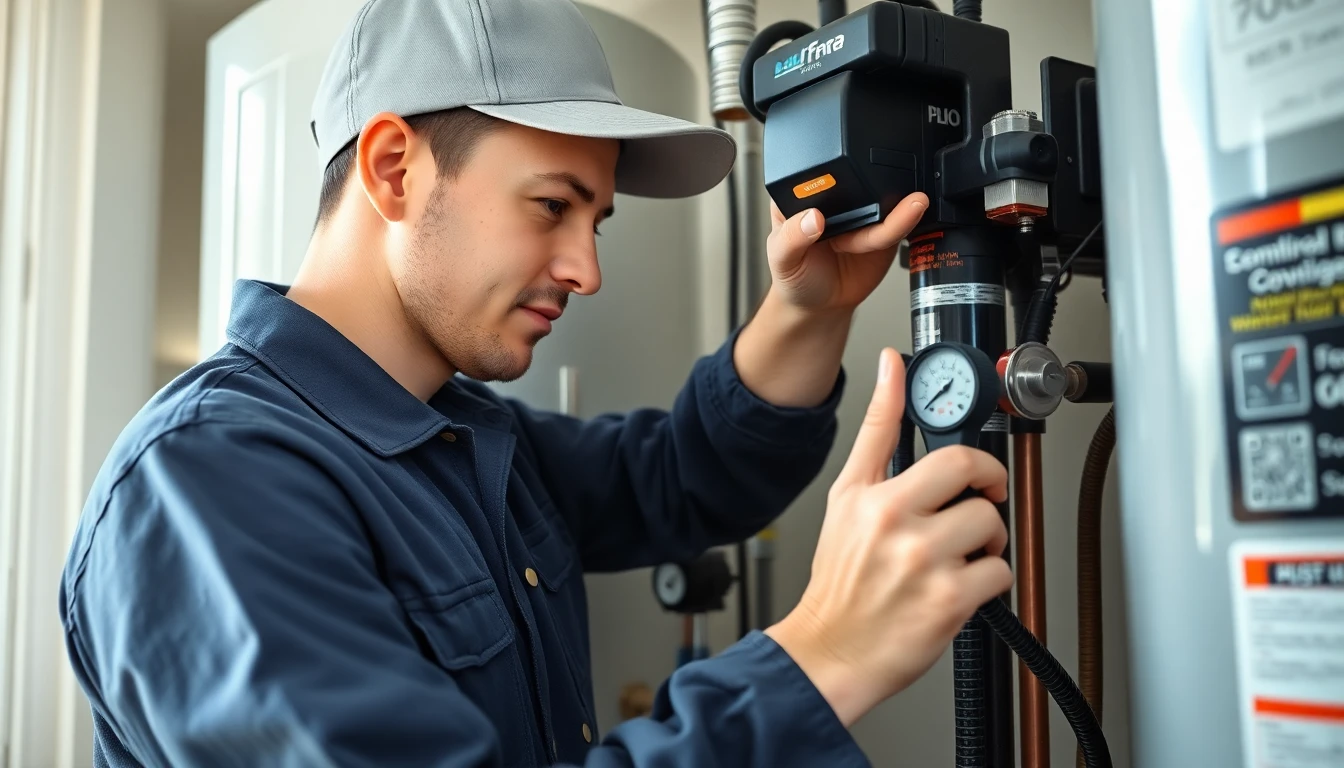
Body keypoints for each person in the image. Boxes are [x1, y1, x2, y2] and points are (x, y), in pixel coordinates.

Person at [57, 0, 1013, 765]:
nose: (585, 270)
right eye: (551, 205)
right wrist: (825, 655)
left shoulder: (460, 433)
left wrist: (808, 307)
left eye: (593, 222)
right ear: (395, 169)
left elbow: (686, 475)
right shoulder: (210, 480)